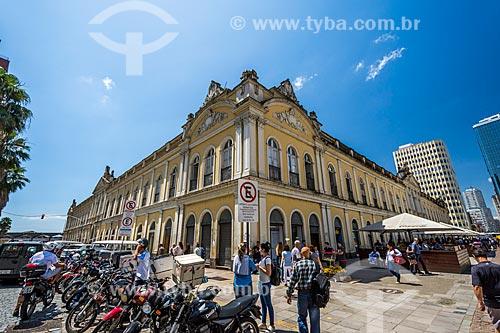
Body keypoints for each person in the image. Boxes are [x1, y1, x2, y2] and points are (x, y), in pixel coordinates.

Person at [13, 248, 66, 317]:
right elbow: (56, 265)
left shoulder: (37, 254)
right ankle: (53, 282)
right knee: (61, 268)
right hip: (43, 274)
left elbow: (29, 262)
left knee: (23, 291)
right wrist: (63, 265)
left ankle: (16, 308)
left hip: (31, 274)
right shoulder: (52, 255)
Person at [286, 247, 320, 333]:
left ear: (301, 254)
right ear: (309, 254)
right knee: (314, 319)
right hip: (313, 294)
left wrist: (289, 293)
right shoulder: (314, 264)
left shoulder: (297, 265)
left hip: (302, 293)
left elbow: (292, 281)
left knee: (302, 317)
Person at [471, 249, 500, 333]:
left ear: (474, 257)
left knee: (498, 325)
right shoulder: (498, 267)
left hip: (492, 300)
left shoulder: (476, 269)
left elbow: (477, 287)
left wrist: (480, 302)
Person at [256, 242, 275, 332]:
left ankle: (272, 324)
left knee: (268, 304)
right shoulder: (263, 258)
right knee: (263, 304)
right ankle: (263, 323)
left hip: (266, 284)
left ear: (263, 249)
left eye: (260, 248)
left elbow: (269, 273)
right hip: (261, 283)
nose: (259, 250)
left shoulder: (267, 259)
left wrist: (259, 267)